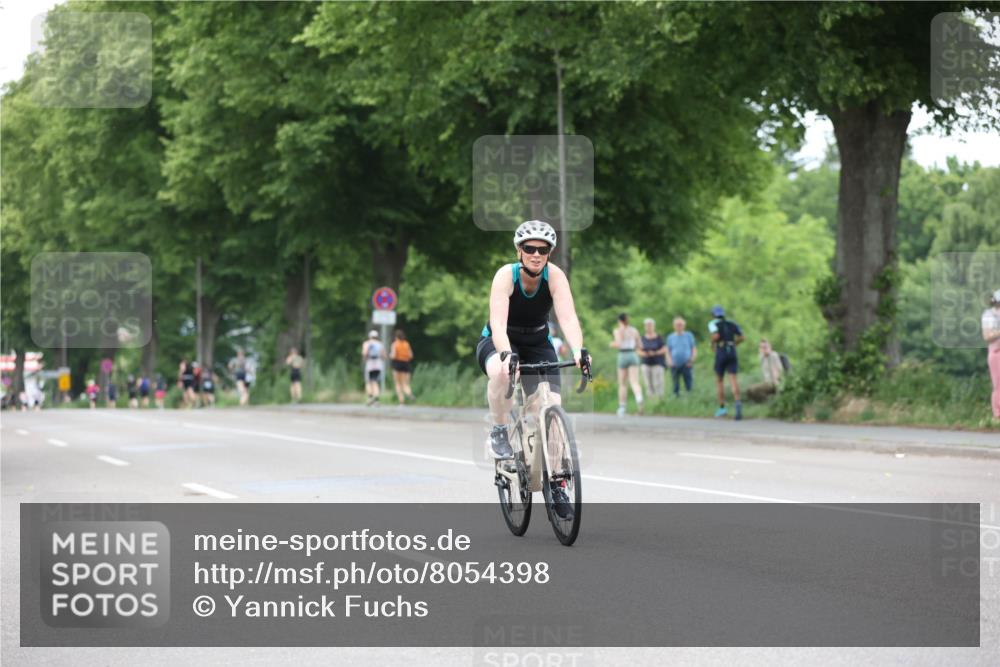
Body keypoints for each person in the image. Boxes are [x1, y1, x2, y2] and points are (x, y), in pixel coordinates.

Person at [474, 220, 589, 520]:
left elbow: (568, 318)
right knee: (502, 372)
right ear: (519, 251)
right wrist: (507, 354)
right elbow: (498, 324)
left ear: (549, 253)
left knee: (551, 409)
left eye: (543, 250)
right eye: (530, 248)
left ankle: (557, 484)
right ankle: (499, 430)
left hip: (538, 342)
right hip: (500, 340)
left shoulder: (555, 276)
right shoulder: (506, 276)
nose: (536, 254)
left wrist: (578, 350)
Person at [708, 305, 744, 419]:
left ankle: (722, 408)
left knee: (719, 380)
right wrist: (734, 344)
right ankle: (737, 403)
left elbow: (716, 336)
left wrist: (712, 344)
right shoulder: (732, 323)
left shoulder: (713, 323)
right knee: (733, 379)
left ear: (713, 315)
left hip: (721, 351)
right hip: (732, 351)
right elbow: (742, 337)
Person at [610, 313, 644, 416]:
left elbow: (619, 343)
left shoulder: (617, 330)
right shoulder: (634, 330)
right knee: (634, 381)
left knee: (622, 383)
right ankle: (639, 399)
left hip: (623, 355)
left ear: (619, 321)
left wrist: (611, 344)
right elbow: (640, 345)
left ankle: (622, 407)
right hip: (633, 354)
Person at [666, 316, 697, 397]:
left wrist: (692, 360)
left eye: (681, 325)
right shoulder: (670, 337)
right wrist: (669, 361)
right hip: (674, 364)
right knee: (675, 383)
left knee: (689, 382)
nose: (679, 326)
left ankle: (690, 397)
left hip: (687, 363)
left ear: (684, 326)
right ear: (674, 326)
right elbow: (668, 351)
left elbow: (693, 349)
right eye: (677, 325)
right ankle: (676, 398)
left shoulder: (689, 336)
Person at [747, 338, 784, 403]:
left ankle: (768, 402)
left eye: (765, 347)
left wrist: (776, 382)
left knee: (754, 389)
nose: (764, 349)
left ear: (770, 347)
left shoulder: (773, 355)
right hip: (766, 382)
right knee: (749, 390)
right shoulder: (761, 357)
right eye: (761, 347)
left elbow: (777, 370)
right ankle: (762, 402)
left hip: (773, 382)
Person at [638, 318, 667, 399]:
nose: (649, 327)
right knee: (648, 383)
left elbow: (664, 349)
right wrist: (644, 354)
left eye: (650, 325)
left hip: (657, 363)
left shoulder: (659, 337)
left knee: (658, 382)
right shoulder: (642, 338)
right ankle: (651, 399)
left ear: (654, 326)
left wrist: (655, 353)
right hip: (646, 363)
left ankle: (659, 399)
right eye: (647, 325)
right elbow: (638, 350)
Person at [983, 289, 1000, 422]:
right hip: (997, 352)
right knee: (999, 385)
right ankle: (997, 415)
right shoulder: (989, 315)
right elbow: (987, 336)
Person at [389, 330, 415, 405]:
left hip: (397, 363)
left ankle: (401, 401)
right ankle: (409, 393)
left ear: (396, 337)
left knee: (398, 384)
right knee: (405, 383)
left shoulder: (395, 344)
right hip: (406, 363)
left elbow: (393, 355)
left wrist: (390, 355)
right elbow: (411, 355)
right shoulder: (406, 344)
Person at [362, 330, 386, 406]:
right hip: (378, 364)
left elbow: (364, 353)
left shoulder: (367, 343)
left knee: (368, 382)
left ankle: (370, 398)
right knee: (375, 381)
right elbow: (384, 356)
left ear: (370, 336)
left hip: (370, 364)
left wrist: (365, 359)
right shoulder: (380, 344)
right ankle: (376, 400)